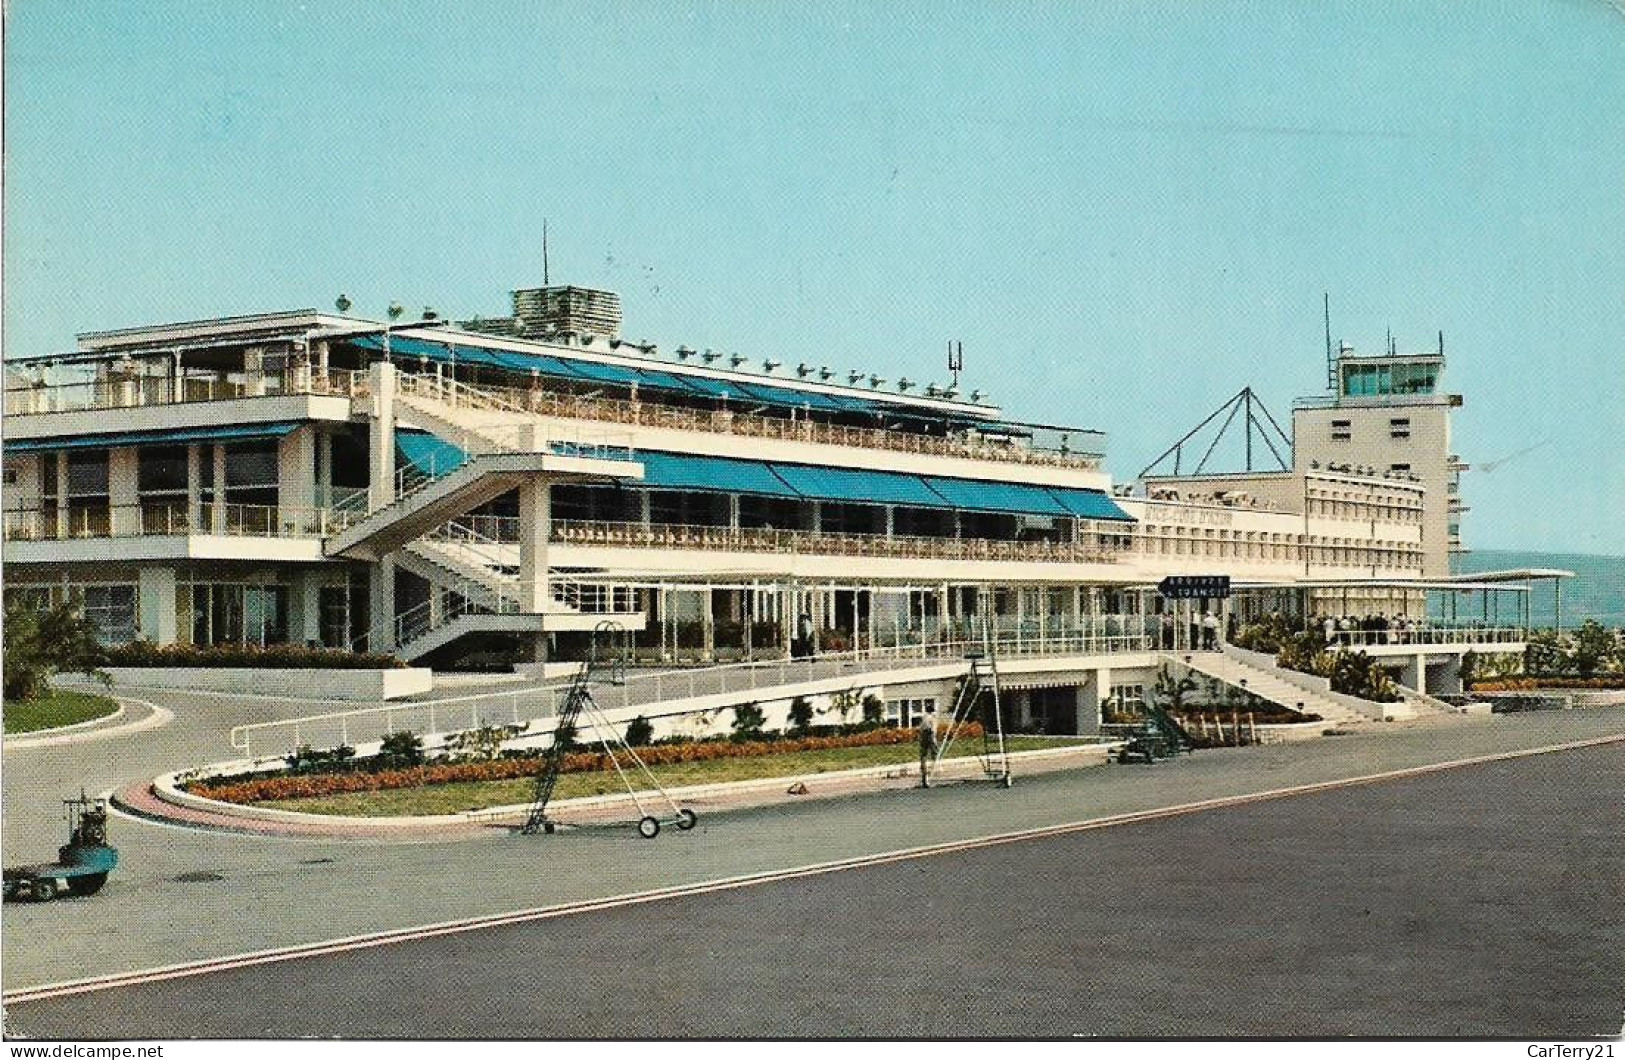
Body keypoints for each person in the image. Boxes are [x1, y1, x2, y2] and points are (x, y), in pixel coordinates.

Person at [917, 710, 938, 788]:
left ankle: (924, 776)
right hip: (929, 736)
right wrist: (934, 743)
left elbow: (921, 729)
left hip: (923, 737)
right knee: (934, 754)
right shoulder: (932, 718)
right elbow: (932, 731)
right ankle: (929, 775)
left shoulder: (924, 717)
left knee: (923, 756)